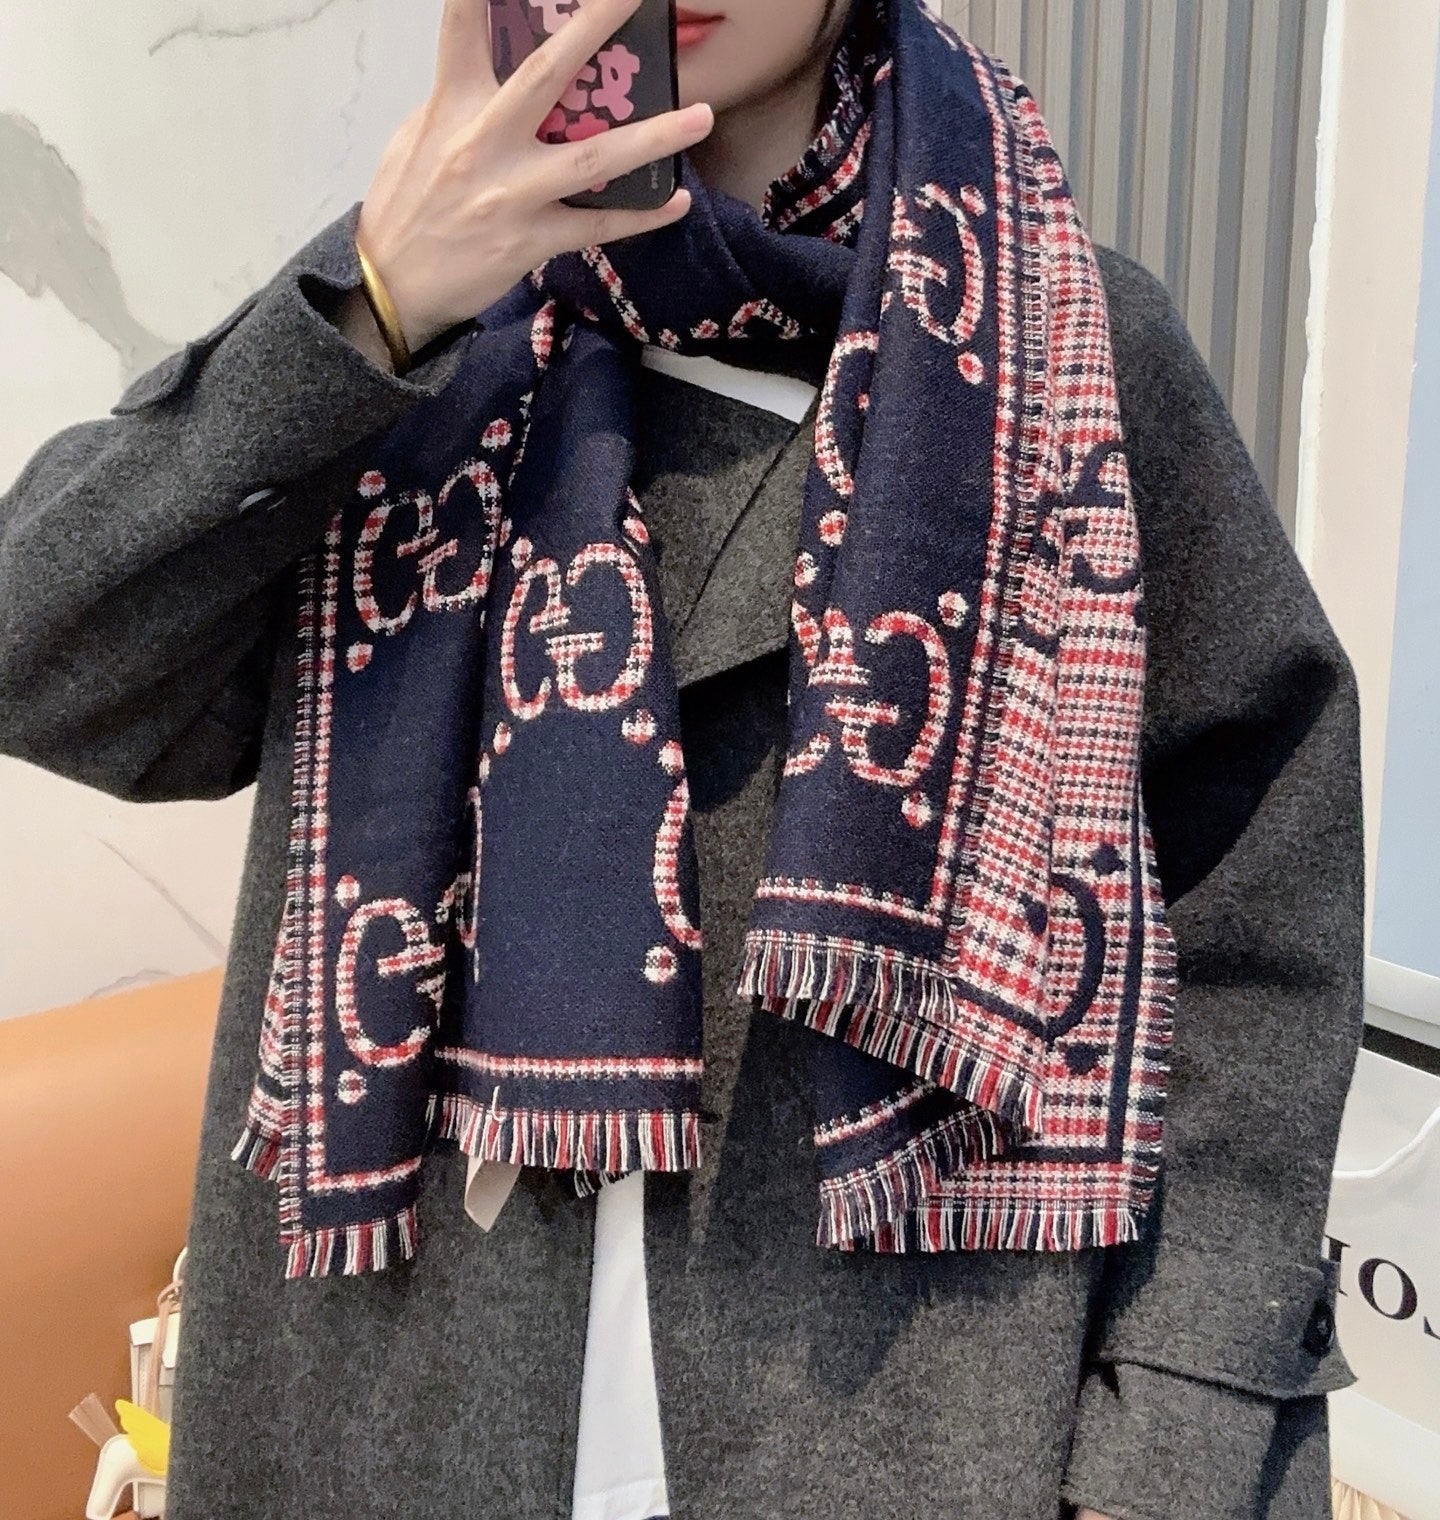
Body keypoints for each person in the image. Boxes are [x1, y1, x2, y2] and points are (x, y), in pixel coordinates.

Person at [0, 1, 1363, 1517]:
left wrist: (1171, 1441)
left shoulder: (1055, 347)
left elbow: (1254, 911)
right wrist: (379, 301)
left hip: (916, 1414)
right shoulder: (412, 326)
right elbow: (46, 664)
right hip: (400, 1399)